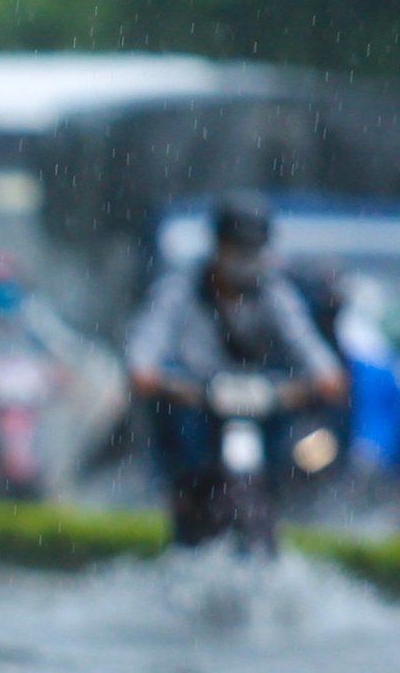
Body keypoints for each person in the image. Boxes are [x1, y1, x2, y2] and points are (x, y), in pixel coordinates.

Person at [126, 191, 345, 545]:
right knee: (181, 448)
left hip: (262, 403)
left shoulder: (275, 294)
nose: (245, 259)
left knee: (308, 449)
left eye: (253, 250)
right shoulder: (180, 291)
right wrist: (157, 378)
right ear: (217, 245)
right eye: (237, 248)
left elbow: (311, 350)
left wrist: (322, 378)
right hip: (195, 402)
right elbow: (143, 353)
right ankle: (183, 502)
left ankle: (283, 506)